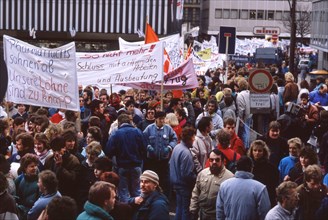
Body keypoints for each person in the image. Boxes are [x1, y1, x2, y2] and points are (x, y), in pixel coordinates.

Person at [105, 113, 146, 203]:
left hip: (122, 166)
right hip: (136, 165)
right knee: (137, 191)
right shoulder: (138, 131)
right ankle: (138, 211)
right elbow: (144, 148)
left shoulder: (116, 134)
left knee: (123, 193)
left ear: (119, 123)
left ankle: (126, 212)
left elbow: (108, 151)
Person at [216, 156, 271, 220]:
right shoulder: (260, 188)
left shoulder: (224, 186)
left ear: (237, 168)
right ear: (251, 168)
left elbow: (219, 211)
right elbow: (264, 213)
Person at [190, 149, 234, 220]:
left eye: (217, 160)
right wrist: (193, 209)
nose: (214, 162)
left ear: (222, 161)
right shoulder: (203, 173)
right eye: (211, 160)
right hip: (202, 214)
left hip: (217, 216)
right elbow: (196, 192)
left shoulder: (230, 178)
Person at [143, 111, 178, 197]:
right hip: (152, 160)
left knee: (165, 181)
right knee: (152, 180)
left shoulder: (168, 129)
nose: (162, 121)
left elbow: (174, 139)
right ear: (156, 119)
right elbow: (143, 139)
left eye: (163, 119)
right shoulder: (149, 128)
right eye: (160, 119)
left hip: (164, 160)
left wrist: (170, 147)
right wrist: (148, 147)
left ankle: (164, 197)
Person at [170, 127, 197, 220]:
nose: (194, 139)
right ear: (189, 138)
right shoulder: (186, 153)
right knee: (185, 210)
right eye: (193, 137)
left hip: (176, 184)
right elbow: (186, 174)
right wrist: (196, 178)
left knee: (179, 208)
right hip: (184, 186)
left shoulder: (177, 147)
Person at [248, 140, 279, 207]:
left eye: (260, 151)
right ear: (251, 151)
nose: (257, 153)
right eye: (255, 150)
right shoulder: (247, 166)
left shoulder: (271, 168)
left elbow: (273, 187)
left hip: (265, 198)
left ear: (264, 152)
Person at [15, 153, 40, 220]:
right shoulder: (19, 180)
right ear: (25, 168)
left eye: (35, 165)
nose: (35, 168)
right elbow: (15, 198)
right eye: (32, 166)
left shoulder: (41, 181)